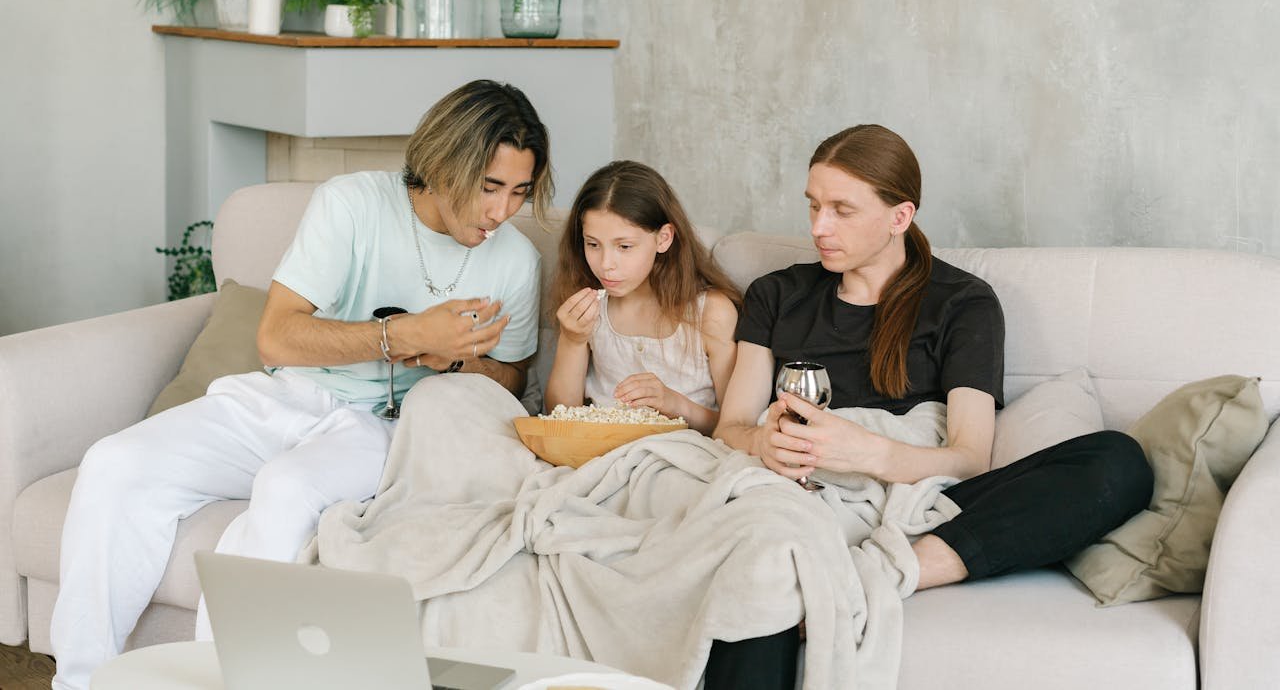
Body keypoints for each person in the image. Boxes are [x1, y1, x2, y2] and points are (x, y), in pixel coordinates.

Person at [49, 79, 554, 690]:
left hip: (388, 427)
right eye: (489, 187)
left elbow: (513, 377)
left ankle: (218, 681)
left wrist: (451, 360)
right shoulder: (352, 204)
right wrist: (404, 336)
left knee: (286, 488)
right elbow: (278, 337)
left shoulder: (516, 261)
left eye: (518, 192)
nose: (501, 212)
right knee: (113, 462)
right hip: (288, 393)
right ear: (447, 162)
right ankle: (80, 681)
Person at [707, 124, 1153, 689]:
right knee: (764, 565)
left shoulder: (962, 303)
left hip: (921, 503)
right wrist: (762, 441)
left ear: (900, 216)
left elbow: (969, 457)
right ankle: (819, 574)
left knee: (1118, 461)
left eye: (842, 209)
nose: (819, 228)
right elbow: (731, 427)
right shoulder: (778, 295)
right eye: (814, 206)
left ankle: (883, 571)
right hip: (802, 497)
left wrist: (870, 452)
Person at [542, 160, 740, 435]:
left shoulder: (710, 312)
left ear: (664, 239)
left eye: (624, 246)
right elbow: (560, 416)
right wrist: (572, 340)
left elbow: (738, 428)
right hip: (602, 454)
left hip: (683, 453)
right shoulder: (589, 307)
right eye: (593, 244)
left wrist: (675, 404)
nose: (606, 264)